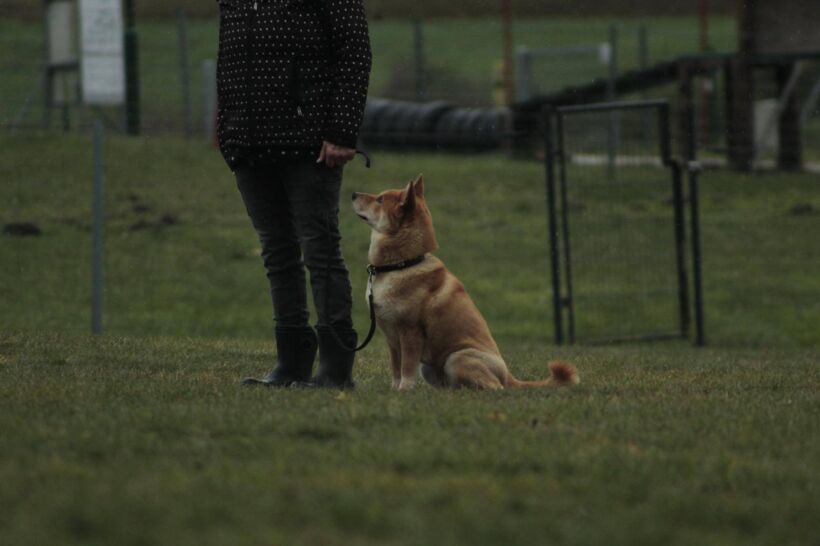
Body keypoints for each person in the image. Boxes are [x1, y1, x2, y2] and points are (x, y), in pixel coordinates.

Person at [215, 0, 372, 388]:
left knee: (320, 250)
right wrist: (228, 128)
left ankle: (335, 369)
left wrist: (341, 131)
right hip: (248, 140)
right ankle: (291, 364)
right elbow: (228, 55)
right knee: (277, 251)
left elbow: (355, 51)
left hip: (310, 142)